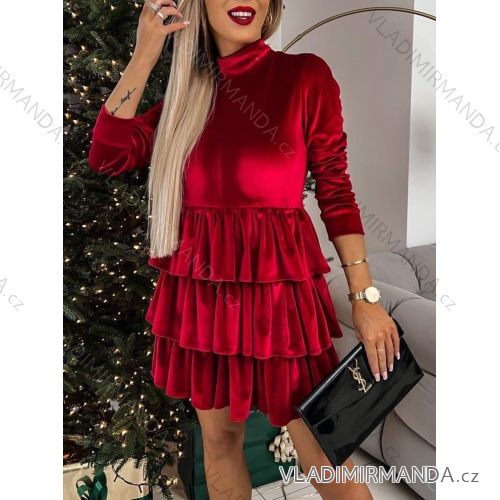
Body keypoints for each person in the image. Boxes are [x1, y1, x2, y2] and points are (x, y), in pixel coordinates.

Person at [88, 1, 399, 498]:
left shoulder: (304, 76)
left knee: (322, 446)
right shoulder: (184, 99)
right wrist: (146, 51)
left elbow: (336, 191)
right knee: (219, 442)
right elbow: (107, 155)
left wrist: (365, 299)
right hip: (203, 296)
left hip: (282, 298)